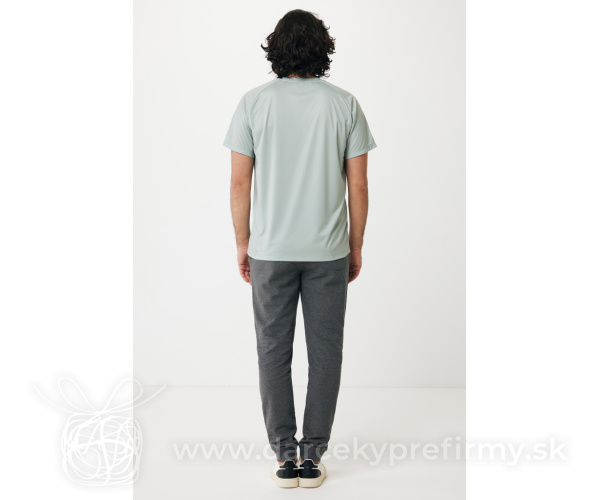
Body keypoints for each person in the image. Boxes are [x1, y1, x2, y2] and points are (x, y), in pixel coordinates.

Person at [223, 9, 377, 488]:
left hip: (270, 249)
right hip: (328, 251)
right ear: (322, 49)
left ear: (276, 49)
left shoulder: (253, 103)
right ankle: (312, 458)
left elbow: (239, 183)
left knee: (272, 350)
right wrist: (355, 246)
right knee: (326, 352)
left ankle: (284, 457)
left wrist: (243, 243)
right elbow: (358, 186)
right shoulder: (345, 104)